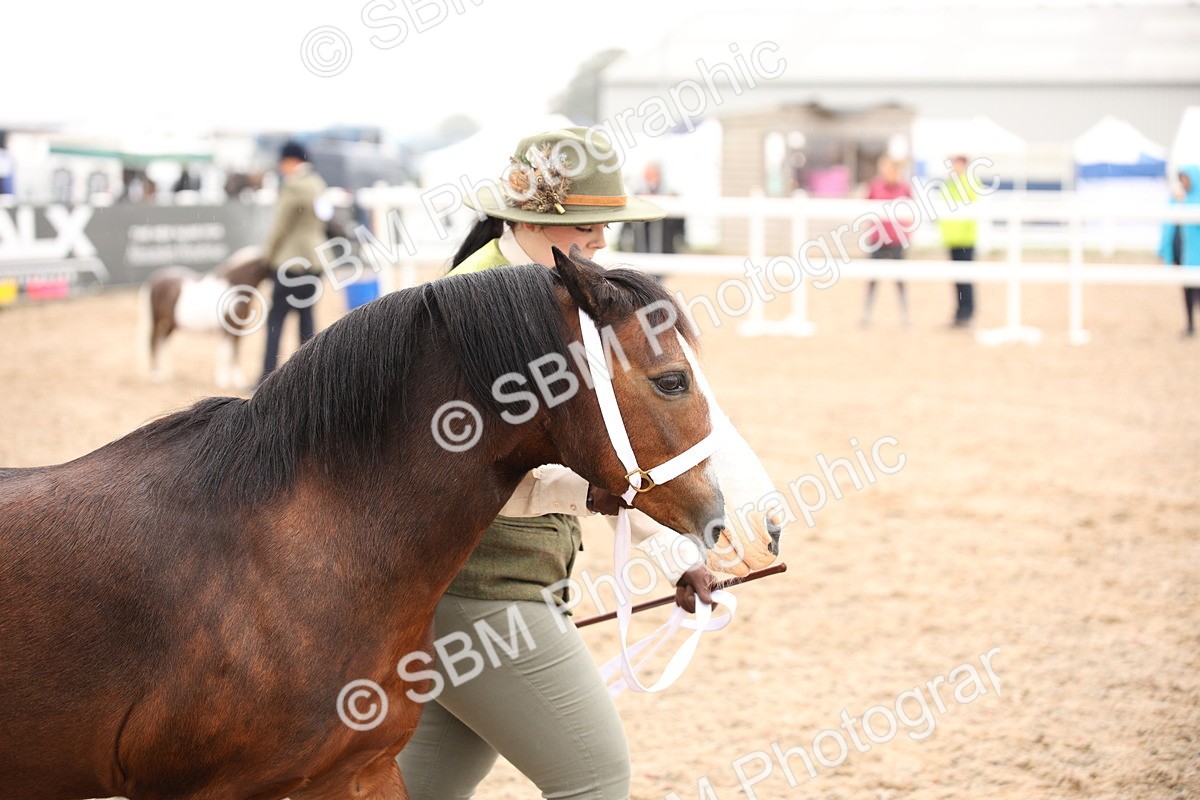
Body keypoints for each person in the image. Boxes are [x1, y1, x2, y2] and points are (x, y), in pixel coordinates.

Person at [396, 127, 718, 800]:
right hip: (483, 590)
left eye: (606, 225)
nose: (602, 241)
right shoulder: (472, 311)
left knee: (423, 787)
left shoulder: (559, 300)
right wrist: (597, 502)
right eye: (589, 226)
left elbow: (610, 443)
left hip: (504, 585)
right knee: (594, 778)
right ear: (529, 220)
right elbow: (453, 472)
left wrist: (674, 554)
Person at [257, 141, 329, 384]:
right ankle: (307, 376)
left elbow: (280, 227)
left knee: (276, 317)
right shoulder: (318, 184)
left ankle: (267, 375)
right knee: (306, 317)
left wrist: (268, 256)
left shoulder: (294, 187)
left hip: (291, 261)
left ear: (291, 160)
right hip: (315, 260)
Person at [861, 155, 912, 326]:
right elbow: (864, 204)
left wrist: (908, 233)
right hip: (877, 238)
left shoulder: (904, 188)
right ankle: (866, 315)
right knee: (872, 279)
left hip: (897, 239)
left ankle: (905, 316)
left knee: (900, 280)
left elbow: (912, 210)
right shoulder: (875, 186)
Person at [1159, 166, 1200, 336]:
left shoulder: (1194, 198)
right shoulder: (1176, 198)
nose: (1184, 182)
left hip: (1196, 254)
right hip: (1182, 252)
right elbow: (1167, 225)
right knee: (1186, 290)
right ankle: (1190, 324)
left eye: (1186, 178)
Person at [939, 155, 979, 327]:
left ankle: (967, 312)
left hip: (965, 238)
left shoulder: (969, 183)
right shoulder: (950, 183)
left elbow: (974, 206)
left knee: (965, 279)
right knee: (957, 279)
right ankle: (959, 312)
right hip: (952, 238)